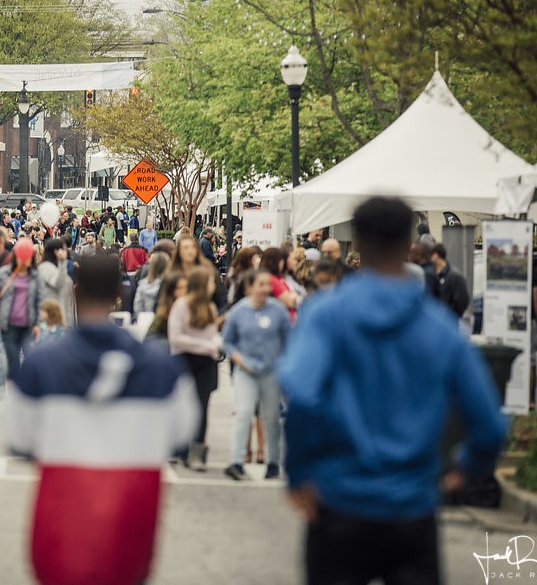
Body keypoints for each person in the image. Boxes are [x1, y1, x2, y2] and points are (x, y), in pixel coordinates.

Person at [278, 196, 507, 585]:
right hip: (412, 507)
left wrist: (300, 473)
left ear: (357, 243)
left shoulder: (325, 316)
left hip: (340, 502)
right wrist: (466, 468)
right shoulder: (438, 327)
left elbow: (302, 397)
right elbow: (490, 425)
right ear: (408, 245)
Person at [2, 253, 198, 585]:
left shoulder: (40, 363)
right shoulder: (162, 367)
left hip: (61, 525)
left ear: (76, 292)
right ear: (118, 295)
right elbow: (183, 433)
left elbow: (17, 438)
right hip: (129, 526)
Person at [222, 269, 291, 481]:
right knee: (243, 413)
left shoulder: (278, 311)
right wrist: (240, 360)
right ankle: (237, 461)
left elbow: (289, 341)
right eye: (261, 284)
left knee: (270, 417)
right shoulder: (238, 312)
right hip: (246, 371)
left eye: (268, 285)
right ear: (250, 287)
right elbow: (227, 342)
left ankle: (273, 462)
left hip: (271, 372)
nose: (266, 289)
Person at [167, 266, 222, 471]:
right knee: (181, 404)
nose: (214, 286)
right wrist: (208, 346)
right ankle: (178, 448)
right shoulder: (181, 305)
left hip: (206, 363)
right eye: (211, 282)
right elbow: (176, 338)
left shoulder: (210, 307)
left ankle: (197, 452)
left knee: (202, 406)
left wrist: (215, 343)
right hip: (184, 360)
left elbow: (213, 335)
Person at [0, 240, 41, 401]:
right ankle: (7, 390)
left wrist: (37, 323)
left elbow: (40, 299)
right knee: (11, 359)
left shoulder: (35, 276)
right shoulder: (4, 274)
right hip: (7, 324)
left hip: (28, 325)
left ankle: (24, 389)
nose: (25, 261)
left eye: (28, 257)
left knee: (29, 358)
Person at [36, 237, 74, 327]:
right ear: (56, 251)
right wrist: (62, 262)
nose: (66, 251)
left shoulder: (60, 267)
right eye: (63, 249)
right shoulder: (45, 267)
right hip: (52, 321)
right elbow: (58, 283)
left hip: (63, 319)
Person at [431, 243, 470, 319]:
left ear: (435, 256)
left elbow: (463, 300)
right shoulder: (432, 275)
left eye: (430, 256)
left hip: (449, 320)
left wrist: (451, 317)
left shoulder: (455, 276)